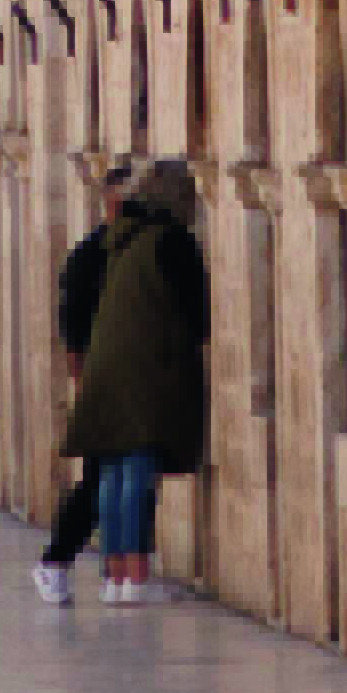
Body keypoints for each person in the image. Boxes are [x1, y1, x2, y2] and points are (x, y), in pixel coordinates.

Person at [51, 163, 209, 600]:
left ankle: (114, 576)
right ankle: (135, 577)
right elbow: (196, 315)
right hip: (144, 370)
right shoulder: (172, 242)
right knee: (137, 473)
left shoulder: (120, 241)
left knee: (112, 474)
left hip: (107, 368)